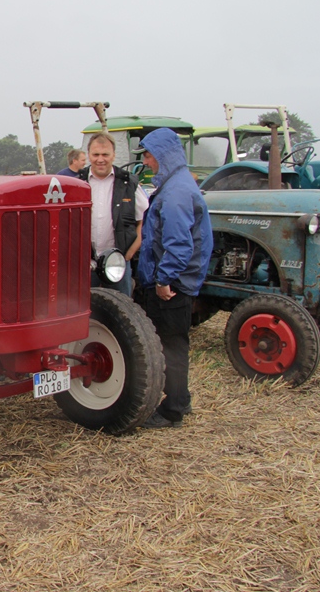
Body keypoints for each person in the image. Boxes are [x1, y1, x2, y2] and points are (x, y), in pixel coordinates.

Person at [134, 127, 213, 429]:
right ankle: (182, 398)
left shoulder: (176, 193)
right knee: (174, 342)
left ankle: (173, 410)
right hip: (179, 279)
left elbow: (179, 244)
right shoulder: (177, 183)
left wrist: (164, 280)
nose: (147, 162)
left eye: (149, 155)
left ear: (163, 155)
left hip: (174, 284)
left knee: (171, 345)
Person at [77, 133, 149, 296]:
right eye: (96, 154)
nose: (100, 159)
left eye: (105, 154)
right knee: (84, 306)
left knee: (121, 306)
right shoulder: (77, 183)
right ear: (89, 155)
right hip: (85, 263)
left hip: (118, 263)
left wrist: (129, 254)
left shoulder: (129, 184)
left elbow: (143, 222)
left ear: (113, 155)